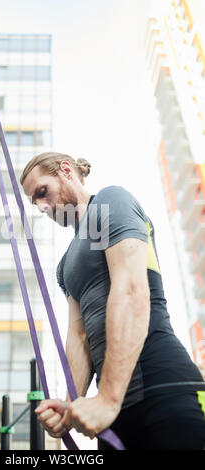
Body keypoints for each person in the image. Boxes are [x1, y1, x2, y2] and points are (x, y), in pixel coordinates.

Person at [20, 152, 205, 450]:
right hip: (114, 411)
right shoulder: (65, 265)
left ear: (66, 171)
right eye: (35, 202)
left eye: (43, 192)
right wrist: (70, 405)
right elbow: (79, 336)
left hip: (163, 386)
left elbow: (131, 288)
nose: (42, 206)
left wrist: (107, 400)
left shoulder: (111, 201)